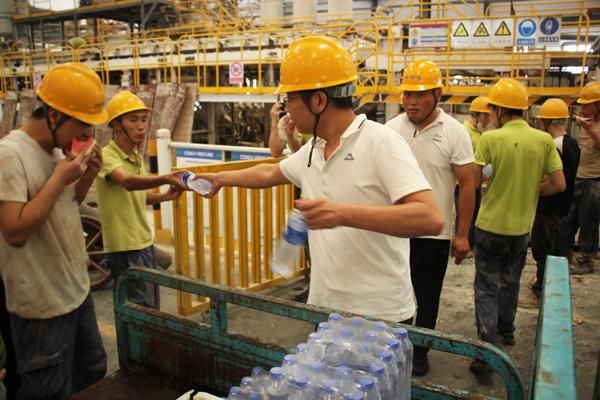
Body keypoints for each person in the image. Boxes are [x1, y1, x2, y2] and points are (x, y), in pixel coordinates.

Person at [195, 35, 444, 325]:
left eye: (290, 99)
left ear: (318, 100)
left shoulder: (381, 143)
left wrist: (341, 213)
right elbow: (270, 172)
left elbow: (430, 218)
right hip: (324, 307)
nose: (287, 108)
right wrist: (219, 178)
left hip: (379, 315)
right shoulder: (314, 148)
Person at [0, 62, 108, 398]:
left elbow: (65, 207)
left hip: (76, 291)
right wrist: (59, 178)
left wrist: (86, 176)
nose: (87, 135)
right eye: (82, 125)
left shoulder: (58, 151)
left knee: (92, 371)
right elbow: (15, 231)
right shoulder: (9, 155)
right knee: (48, 390)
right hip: (41, 306)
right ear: (53, 115)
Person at [385, 59, 475, 376]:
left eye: (420, 94)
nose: (412, 101)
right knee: (392, 292)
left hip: (433, 234)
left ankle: (420, 351)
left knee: (427, 296)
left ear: (438, 94)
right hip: (394, 230)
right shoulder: (390, 130)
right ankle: (392, 349)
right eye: (408, 94)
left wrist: (462, 234)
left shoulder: (454, 132)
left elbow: (468, 184)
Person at [470, 78, 565, 379]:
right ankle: (506, 331)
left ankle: (486, 351)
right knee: (511, 282)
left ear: (499, 110)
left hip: (490, 226)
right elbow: (559, 184)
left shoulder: (490, 139)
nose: (489, 115)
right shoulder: (543, 140)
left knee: (486, 287)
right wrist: (531, 190)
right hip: (521, 229)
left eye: (491, 110)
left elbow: (474, 182)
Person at [95, 90, 186, 309]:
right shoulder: (108, 155)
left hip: (143, 241)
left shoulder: (135, 156)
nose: (141, 126)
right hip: (125, 246)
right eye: (133, 120)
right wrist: (167, 177)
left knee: (150, 306)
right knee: (139, 309)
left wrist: (165, 196)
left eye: (144, 120)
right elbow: (127, 182)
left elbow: (138, 196)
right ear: (116, 125)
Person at [530, 99, 580, 297]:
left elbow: (555, 181)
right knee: (559, 249)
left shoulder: (553, 145)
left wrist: (535, 191)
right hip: (564, 208)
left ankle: (543, 288)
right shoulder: (573, 143)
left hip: (550, 209)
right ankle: (553, 287)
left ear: (547, 121)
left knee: (544, 250)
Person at [563, 81, 600, 275]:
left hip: (593, 179)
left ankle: (587, 258)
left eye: (588, 105)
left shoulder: (593, 126)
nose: (583, 109)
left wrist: (591, 129)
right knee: (569, 217)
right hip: (578, 176)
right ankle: (564, 254)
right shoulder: (586, 121)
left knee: (588, 219)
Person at [458, 95, 491, 248]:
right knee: (466, 214)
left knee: (474, 213)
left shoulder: (478, 134)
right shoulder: (465, 132)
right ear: (480, 115)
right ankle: (464, 241)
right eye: (487, 116)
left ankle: (470, 242)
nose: (489, 120)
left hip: (475, 182)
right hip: (464, 183)